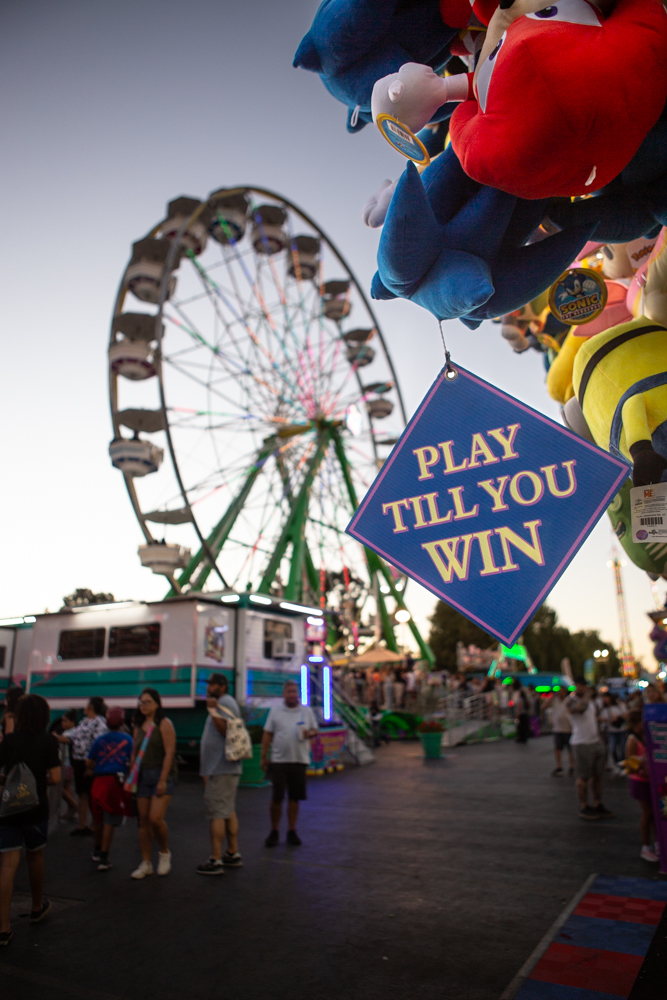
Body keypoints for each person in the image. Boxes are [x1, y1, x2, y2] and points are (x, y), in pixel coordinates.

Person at [0, 694, 60, 946]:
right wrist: (35, 784)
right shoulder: (48, 741)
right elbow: (56, 778)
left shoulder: (9, 741)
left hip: (9, 809)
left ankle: (3, 928)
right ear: (45, 716)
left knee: (7, 864)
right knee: (35, 856)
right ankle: (37, 907)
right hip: (36, 809)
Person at [196, 673, 243, 875]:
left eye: (212, 684)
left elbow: (227, 731)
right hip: (224, 768)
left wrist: (213, 709)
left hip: (221, 768)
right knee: (227, 810)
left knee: (217, 813)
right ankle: (232, 853)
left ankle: (215, 859)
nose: (208, 687)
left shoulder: (224, 703)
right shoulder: (225, 702)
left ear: (222, 686)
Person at [261, 681, 318, 846]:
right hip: (279, 760)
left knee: (295, 798)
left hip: (299, 760)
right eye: (289, 692)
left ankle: (292, 830)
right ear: (283, 694)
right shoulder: (275, 711)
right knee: (276, 798)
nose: (293, 694)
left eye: (295, 691)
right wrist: (264, 756)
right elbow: (267, 734)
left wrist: (310, 733)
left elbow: (315, 730)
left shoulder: (306, 712)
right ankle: (274, 830)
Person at [129, 687, 177, 879]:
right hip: (142, 776)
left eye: (147, 702)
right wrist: (131, 775)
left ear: (157, 704)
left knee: (155, 818)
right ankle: (146, 862)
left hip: (159, 774)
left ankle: (164, 852)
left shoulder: (165, 724)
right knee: (143, 821)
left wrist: (163, 779)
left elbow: (169, 753)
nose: (143, 705)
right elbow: (134, 753)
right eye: (141, 702)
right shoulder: (137, 725)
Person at [86, 706, 133, 871]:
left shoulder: (100, 740)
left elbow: (88, 762)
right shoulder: (128, 739)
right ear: (122, 722)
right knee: (110, 821)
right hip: (114, 782)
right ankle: (104, 857)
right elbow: (132, 761)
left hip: (98, 782)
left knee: (98, 818)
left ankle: (96, 850)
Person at [57, 697, 108, 836]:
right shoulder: (84, 722)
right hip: (79, 762)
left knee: (92, 794)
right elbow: (73, 738)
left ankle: (93, 825)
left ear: (91, 706)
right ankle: (82, 825)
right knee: (82, 793)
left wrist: (91, 764)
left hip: (89, 763)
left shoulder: (99, 723)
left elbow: (99, 744)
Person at [565, 678, 614, 820]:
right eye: (582, 685)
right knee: (583, 777)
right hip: (581, 743)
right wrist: (586, 696)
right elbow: (580, 709)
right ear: (576, 686)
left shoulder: (591, 702)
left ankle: (598, 803)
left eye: (585, 685)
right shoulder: (570, 701)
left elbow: (592, 718)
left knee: (598, 776)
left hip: (595, 741)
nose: (585, 688)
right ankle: (584, 806)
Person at [624, 709, 658, 862]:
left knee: (655, 813)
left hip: (652, 780)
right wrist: (640, 769)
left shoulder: (647, 736)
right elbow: (629, 763)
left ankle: (658, 843)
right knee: (647, 813)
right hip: (640, 782)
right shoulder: (633, 740)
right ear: (636, 724)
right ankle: (646, 847)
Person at [550, 688, 574, 776]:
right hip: (557, 728)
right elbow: (543, 707)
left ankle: (572, 766)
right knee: (557, 748)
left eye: (562, 691)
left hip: (568, 728)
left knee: (570, 749)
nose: (560, 693)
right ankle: (559, 766)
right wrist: (551, 698)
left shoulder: (569, 701)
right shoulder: (555, 700)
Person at [512, 679, 530, 744]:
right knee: (523, 726)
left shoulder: (519, 698)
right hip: (524, 713)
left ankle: (521, 737)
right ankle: (523, 737)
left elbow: (519, 706)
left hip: (521, 713)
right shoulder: (523, 697)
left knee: (520, 726)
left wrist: (517, 714)